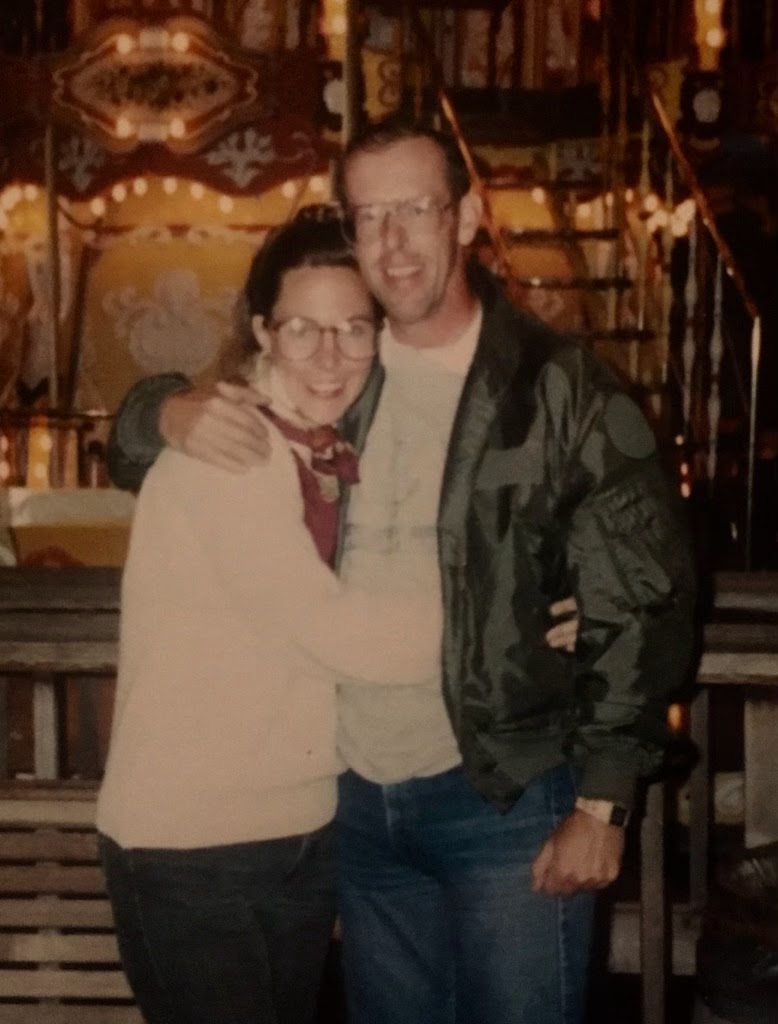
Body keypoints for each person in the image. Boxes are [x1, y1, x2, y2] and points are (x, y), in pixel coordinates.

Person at [107, 120, 696, 1024]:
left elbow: (648, 593)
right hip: (355, 806)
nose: (391, 240)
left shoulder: (556, 385)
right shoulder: (349, 373)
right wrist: (159, 411)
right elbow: (201, 433)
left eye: (415, 209)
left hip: (499, 796)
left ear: (464, 217)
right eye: (369, 215)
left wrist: (606, 801)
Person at [97, 208, 451, 1024]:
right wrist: (517, 627)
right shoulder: (232, 449)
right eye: (303, 330)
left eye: (354, 330)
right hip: (190, 846)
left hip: (300, 829)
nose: (331, 358)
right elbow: (336, 635)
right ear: (262, 330)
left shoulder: (325, 448)